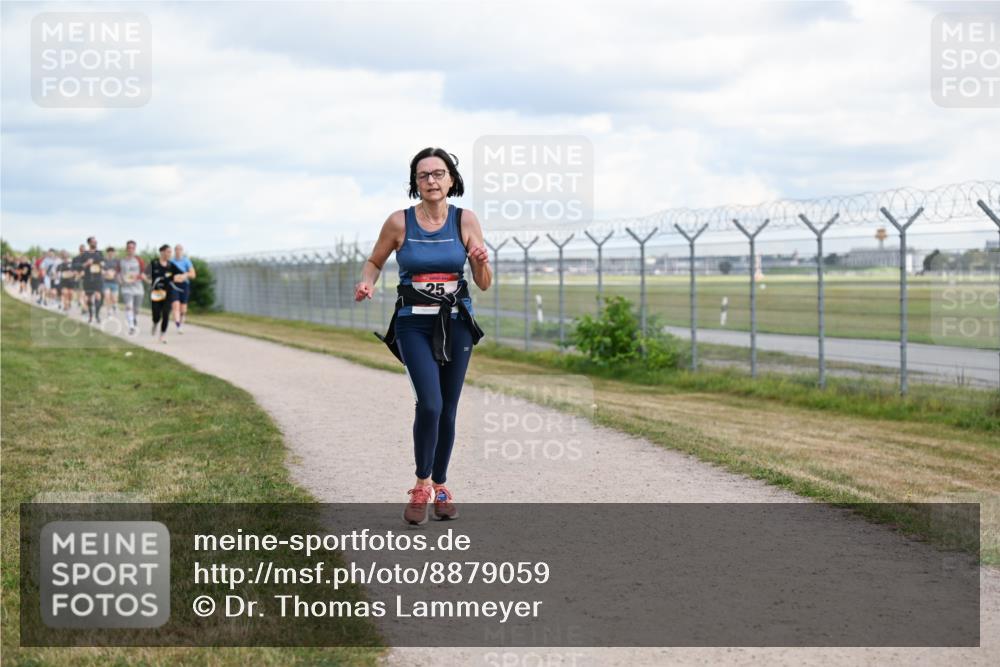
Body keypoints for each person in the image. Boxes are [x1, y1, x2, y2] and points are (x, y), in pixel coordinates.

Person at [359, 147, 491, 525]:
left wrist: (481, 262)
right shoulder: (399, 223)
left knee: (448, 408)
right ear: (415, 183)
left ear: (451, 179)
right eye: (423, 175)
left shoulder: (466, 220)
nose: (431, 181)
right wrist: (367, 282)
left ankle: (442, 488)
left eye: (438, 173)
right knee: (429, 404)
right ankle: (421, 484)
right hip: (413, 324)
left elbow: (483, 284)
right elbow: (374, 262)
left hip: (457, 323)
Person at [148, 244, 179, 343]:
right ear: (162, 252)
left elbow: (180, 274)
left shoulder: (171, 265)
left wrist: (182, 277)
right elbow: (144, 275)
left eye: (171, 252)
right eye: (168, 252)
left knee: (166, 313)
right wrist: (149, 281)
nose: (170, 254)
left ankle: (162, 335)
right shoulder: (154, 263)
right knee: (156, 315)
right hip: (156, 293)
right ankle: (155, 323)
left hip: (168, 293)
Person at [118, 240, 147, 335]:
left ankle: (134, 319)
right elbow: (117, 273)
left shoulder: (139, 260)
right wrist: (120, 280)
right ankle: (131, 326)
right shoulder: (121, 261)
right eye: (129, 248)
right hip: (126, 288)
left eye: (132, 248)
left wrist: (137, 277)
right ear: (126, 249)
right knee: (129, 306)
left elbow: (143, 273)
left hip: (138, 287)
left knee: (136, 309)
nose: (130, 249)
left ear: (135, 249)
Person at [170, 244, 195, 333]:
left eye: (180, 249)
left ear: (182, 251)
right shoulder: (171, 261)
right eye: (176, 249)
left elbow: (193, 274)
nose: (178, 251)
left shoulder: (186, 261)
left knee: (183, 308)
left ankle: (182, 316)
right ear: (174, 251)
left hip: (184, 285)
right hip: (174, 286)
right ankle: (178, 326)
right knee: (175, 306)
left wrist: (185, 275)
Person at [79, 237, 105, 323]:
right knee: (89, 298)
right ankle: (90, 315)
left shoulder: (99, 253)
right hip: (88, 278)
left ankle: (97, 315)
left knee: (98, 296)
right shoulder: (85, 254)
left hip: (98, 278)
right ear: (89, 243)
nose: (95, 243)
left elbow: (103, 263)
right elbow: (80, 266)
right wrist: (86, 263)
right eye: (94, 242)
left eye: (96, 241)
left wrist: (102, 264)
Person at [102, 246, 121, 314]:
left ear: (114, 253)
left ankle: (115, 306)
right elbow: (101, 269)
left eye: (112, 252)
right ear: (107, 253)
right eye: (109, 252)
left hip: (114, 281)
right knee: (107, 296)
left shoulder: (117, 260)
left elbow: (120, 270)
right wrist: (105, 272)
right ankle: (109, 310)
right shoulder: (104, 260)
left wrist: (115, 273)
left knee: (114, 298)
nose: (111, 253)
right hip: (106, 281)